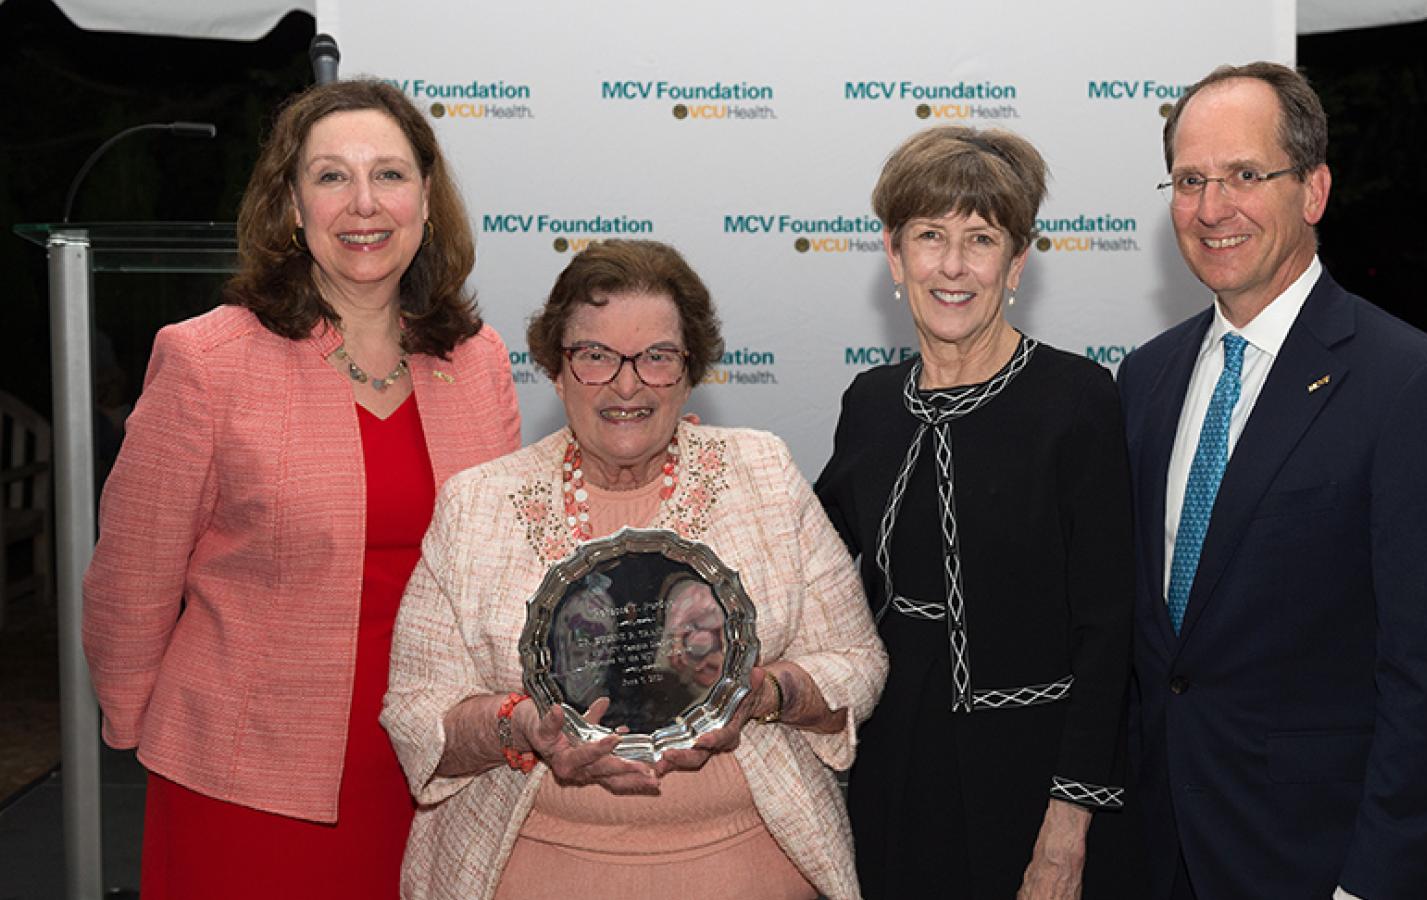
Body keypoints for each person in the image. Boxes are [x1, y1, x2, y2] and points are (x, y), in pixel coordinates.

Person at [80, 79, 522, 899]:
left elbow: (507, 567)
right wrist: (138, 725)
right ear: (291, 204)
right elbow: (131, 579)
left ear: (427, 200)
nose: (364, 203)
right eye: (331, 177)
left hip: (440, 765)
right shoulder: (206, 359)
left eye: (389, 175)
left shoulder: (479, 360)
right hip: (245, 776)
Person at [380, 239, 888, 900]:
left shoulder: (763, 473)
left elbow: (857, 661)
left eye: (656, 357)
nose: (627, 384)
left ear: (689, 370)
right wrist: (522, 727)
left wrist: (765, 692)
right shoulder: (478, 504)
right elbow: (417, 714)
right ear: (557, 371)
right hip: (542, 872)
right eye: (595, 356)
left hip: (746, 869)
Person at [1117, 62, 1427, 899]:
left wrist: (1371, 885)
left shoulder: (1418, 390)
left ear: (1314, 190)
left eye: (1244, 176)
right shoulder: (1145, 380)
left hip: (1327, 867)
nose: (1212, 208)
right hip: (1163, 858)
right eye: (1190, 180)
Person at [814, 126, 1136, 899]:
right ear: (894, 256)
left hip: (1035, 779)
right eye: (930, 236)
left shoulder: (1077, 401)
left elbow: (1109, 631)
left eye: (980, 239)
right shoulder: (869, 404)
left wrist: (1069, 823)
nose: (952, 266)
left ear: (1016, 264)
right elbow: (805, 558)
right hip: (894, 765)